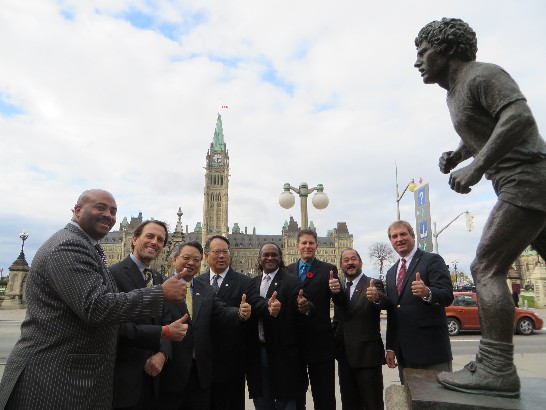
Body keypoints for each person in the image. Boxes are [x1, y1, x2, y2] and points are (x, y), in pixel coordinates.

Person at [414, 17, 546, 397]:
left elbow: (518, 118)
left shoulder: (482, 75)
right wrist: (458, 154)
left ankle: (496, 367)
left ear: (448, 50)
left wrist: (478, 165)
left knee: (485, 266)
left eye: (424, 52)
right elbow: (484, 130)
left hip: (526, 180)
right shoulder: (454, 92)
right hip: (523, 182)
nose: (418, 61)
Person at [0, 189, 187, 410]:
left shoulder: (86, 247)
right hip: (54, 378)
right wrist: (160, 294)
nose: (108, 214)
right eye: (100, 207)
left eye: (113, 211)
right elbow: (96, 306)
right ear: (77, 210)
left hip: (72, 377)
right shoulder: (69, 245)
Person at [156, 241, 248, 410]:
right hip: (171, 373)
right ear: (174, 260)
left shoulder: (205, 290)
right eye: (186, 258)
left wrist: (240, 313)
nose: (191, 262)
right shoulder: (160, 287)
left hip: (200, 375)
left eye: (196, 259)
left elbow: (222, 311)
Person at [111, 220, 188, 410]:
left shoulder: (159, 278)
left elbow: (167, 319)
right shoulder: (112, 274)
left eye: (160, 240)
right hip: (125, 379)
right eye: (150, 236)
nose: (155, 242)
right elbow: (115, 326)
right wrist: (163, 332)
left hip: (157, 380)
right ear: (134, 239)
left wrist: (162, 354)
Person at [195, 235, 267, 410]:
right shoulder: (197, 282)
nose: (221, 256)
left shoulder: (245, 282)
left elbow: (256, 305)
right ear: (206, 255)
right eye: (217, 252)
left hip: (231, 361)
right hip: (202, 361)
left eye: (225, 252)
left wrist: (260, 308)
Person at [385, 220, 453, 384]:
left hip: (431, 353)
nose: (399, 239)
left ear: (413, 236)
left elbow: (447, 295)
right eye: (394, 236)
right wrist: (391, 347)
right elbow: (394, 313)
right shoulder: (391, 272)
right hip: (405, 356)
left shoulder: (432, 260)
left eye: (403, 234)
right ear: (391, 241)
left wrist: (427, 292)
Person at [247, 243, 309, 410]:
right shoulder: (253, 282)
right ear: (259, 258)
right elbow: (252, 303)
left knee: (285, 401)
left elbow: (301, 305)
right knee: (262, 400)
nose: (270, 258)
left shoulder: (291, 281)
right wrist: (268, 305)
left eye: (274, 254)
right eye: (266, 255)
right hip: (258, 351)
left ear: (280, 258)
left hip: (283, 352)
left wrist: (304, 306)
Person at [285, 229, 342, 410]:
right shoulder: (287, 270)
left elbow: (340, 303)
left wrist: (336, 291)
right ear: (297, 245)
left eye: (311, 243)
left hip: (320, 342)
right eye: (304, 243)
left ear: (316, 246)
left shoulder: (328, 270)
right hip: (295, 343)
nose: (307, 246)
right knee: (296, 393)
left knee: (323, 394)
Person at [331, 248, 387, 410]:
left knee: (372, 404)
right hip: (345, 358)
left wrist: (376, 297)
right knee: (350, 404)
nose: (350, 263)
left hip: (367, 357)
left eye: (353, 259)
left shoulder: (373, 283)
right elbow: (338, 320)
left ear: (360, 262)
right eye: (346, 260)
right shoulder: (340, 288)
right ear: (341, 265)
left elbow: (384, 302)